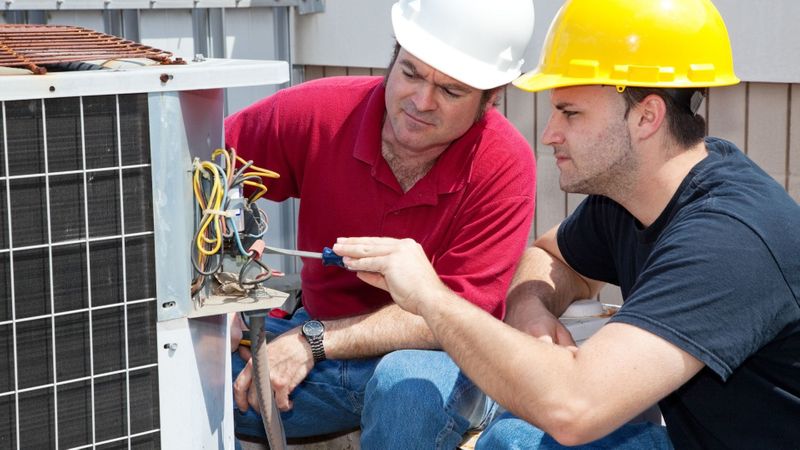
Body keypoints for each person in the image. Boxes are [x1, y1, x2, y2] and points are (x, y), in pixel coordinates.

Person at [332, 0, 800, 448]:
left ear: (647, 116)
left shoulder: (729, 240)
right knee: (510, 440)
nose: (548, 133)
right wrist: (532, 310)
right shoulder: (631, 196)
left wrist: (430, 297)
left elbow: (575, 410)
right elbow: (550, 256)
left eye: (570, 113)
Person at [225, 0, 537, 448]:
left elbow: (456, 317)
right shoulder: (320, 112)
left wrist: (311, 342)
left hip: (434, 359)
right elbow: (201, 174)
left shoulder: (504, 165)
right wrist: (223, 275)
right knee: (191, 373)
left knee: (405, 390)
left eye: (451, 92)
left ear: (493, 97)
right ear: (393, 56)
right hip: (310, 341)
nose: (421, 102)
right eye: (410, 73)